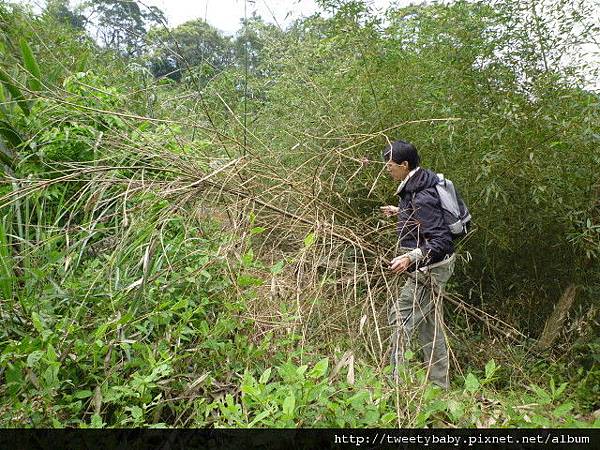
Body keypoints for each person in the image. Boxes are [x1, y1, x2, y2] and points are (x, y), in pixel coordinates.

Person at [380, 140, 455, 389]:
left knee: (400, 317)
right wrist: (400, 211)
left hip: (430, 269)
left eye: (390, 165)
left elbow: (441, 240)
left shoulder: (422, 195)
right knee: (430, 329)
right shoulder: (419, 183)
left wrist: (410, 257)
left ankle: (395, 386)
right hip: (432, 265)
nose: (387, 169)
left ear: (404, 164)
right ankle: (439, 385)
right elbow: (423, 218)